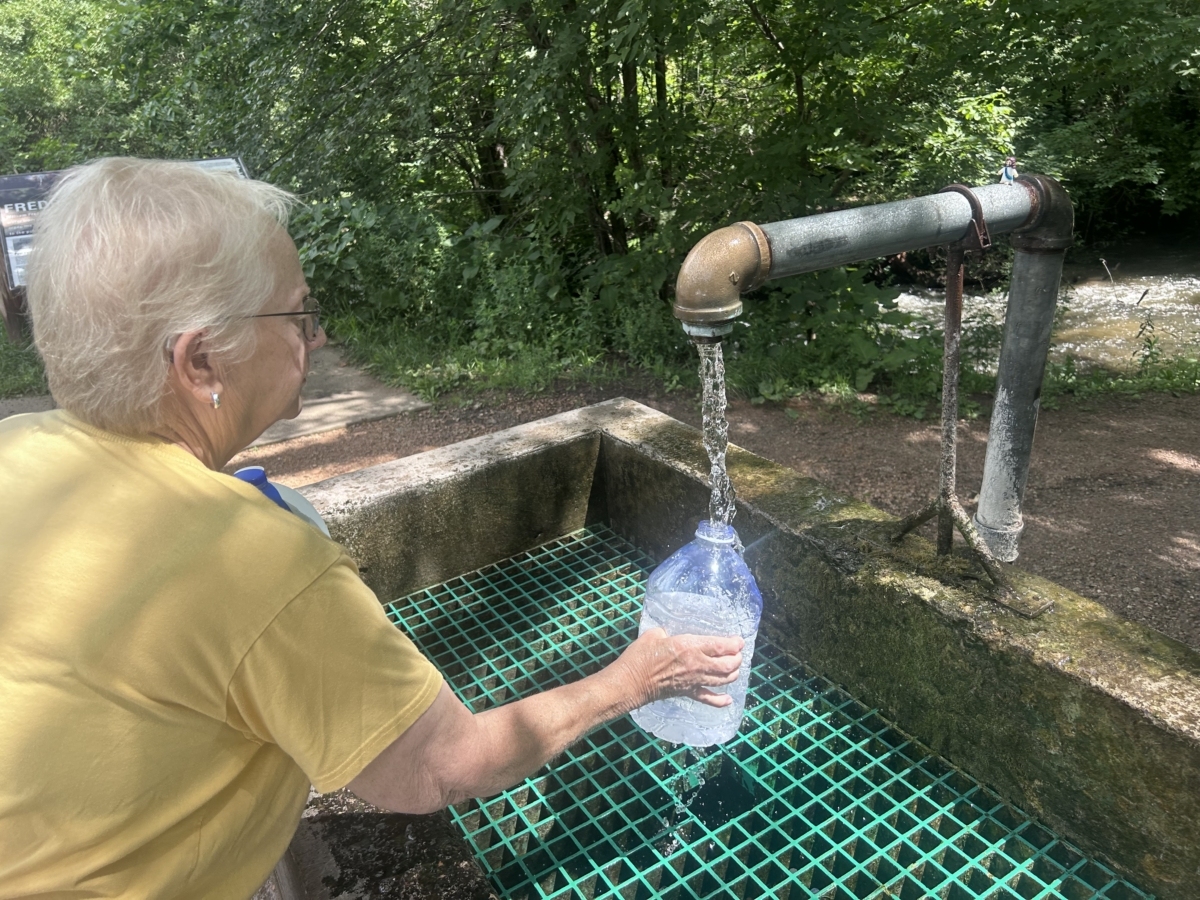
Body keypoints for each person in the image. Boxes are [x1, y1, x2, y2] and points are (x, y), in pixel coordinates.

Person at [0, 158, 744, 899]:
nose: (316, 338)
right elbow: (442, 766)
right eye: (297, 316)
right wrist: (641, 676)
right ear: (201, 362)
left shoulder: (19, 445)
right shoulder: (250, 563)